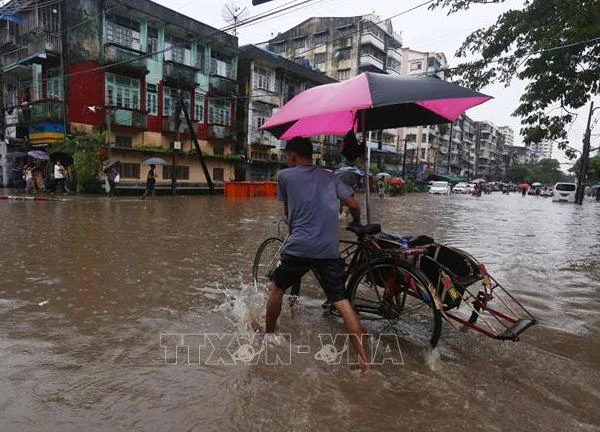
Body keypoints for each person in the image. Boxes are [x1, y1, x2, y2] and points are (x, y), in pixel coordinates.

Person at [266, 137, 369, 371]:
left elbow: (288, 211)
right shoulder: (331, 176)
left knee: (277, 289)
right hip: (328, 250)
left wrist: (294, 229)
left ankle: (268, 335)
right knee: (343, 303)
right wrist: (357, 223)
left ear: (292, 156)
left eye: (287, 157)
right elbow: (352, 203)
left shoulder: (285, 176)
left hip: (299, 247)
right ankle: (364, 362)